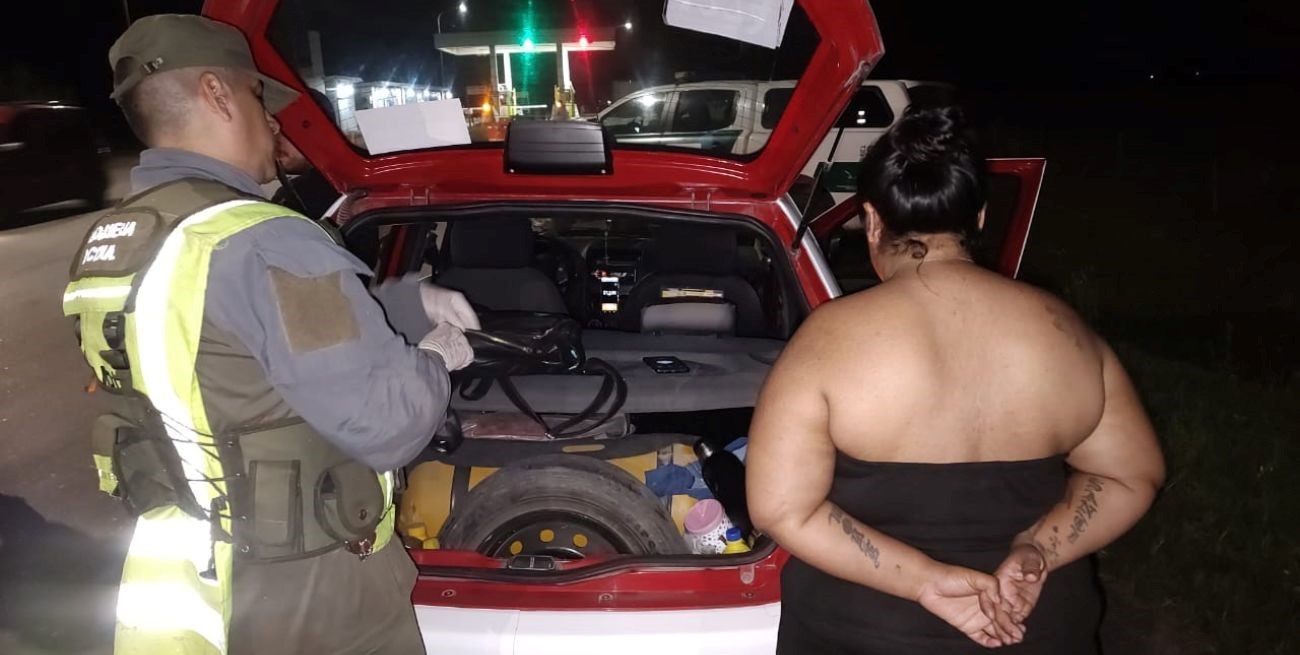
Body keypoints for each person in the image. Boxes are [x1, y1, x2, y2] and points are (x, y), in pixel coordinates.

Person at [62, 14, 479, 655]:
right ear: (216, 93)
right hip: (315, 595)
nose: (277, 124)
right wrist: (433, 359)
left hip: (197, 571)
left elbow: (235, 347)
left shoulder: (123, 242)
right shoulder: (264, 241)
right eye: (259, 97)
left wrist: (405, 301)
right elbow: (388, 423)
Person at [747, 106, 1165, 653]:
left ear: (872, 220)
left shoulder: (827, 342)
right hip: (1040, 629)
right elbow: (1131, 476)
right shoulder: (1065, 330)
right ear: (980, 217)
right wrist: (1039, 549)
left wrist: (923, 580)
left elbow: (782, 509)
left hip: (864, 633)